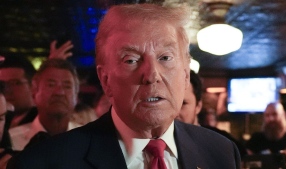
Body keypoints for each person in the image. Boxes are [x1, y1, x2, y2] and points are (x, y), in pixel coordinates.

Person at [7, 4, 240, 169]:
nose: (151, 76)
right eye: (131, 60)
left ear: (186, 74)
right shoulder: (43, 162)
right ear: (105, 79)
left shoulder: (221, 152)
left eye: (165, 58)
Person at [8, 59, 81, 151]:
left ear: (76, 95)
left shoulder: (88, 140)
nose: (59, 92)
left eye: (67, 86)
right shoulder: (12, 142)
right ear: (34, 91)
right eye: (51, 85)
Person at [177, 70, 248, 158]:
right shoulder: (159, 144)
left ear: (198, 106)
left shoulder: (221, 142)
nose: (175, 112)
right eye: (170, 104)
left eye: (183, 103)